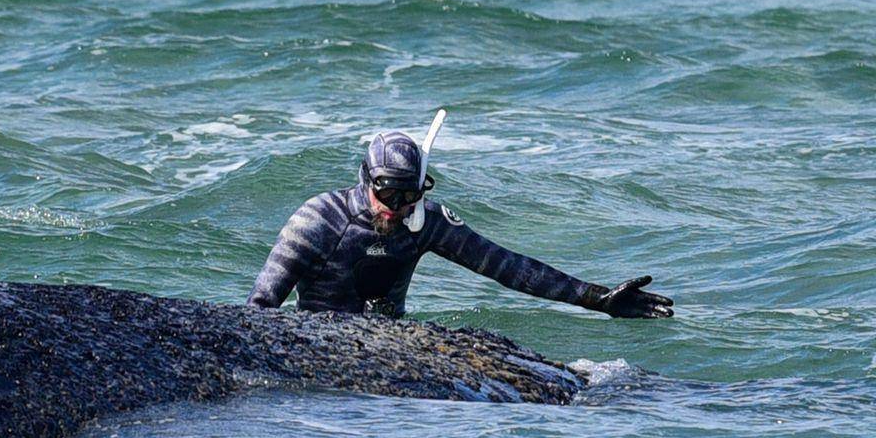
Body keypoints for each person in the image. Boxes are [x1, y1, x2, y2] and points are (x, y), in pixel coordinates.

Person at [249, 131, 673, 319]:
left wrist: (597, 299)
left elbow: (507, 266)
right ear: (365, 179)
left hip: (391, 342)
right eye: (387, 193)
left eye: (410, 195)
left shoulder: (424, 222)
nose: (396, 208)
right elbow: (261, 307)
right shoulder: (319, 219)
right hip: (320, 339)